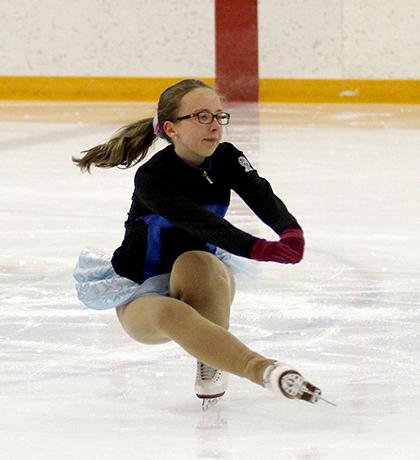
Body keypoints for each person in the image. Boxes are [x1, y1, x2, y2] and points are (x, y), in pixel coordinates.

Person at [72, 79, 322, 408]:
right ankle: (264, 370)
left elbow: (260, 193)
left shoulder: (227, 158)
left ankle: (211, 360)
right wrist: (258, 248)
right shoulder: (153, 177)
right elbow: (201, 222)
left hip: (196, 278)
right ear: (171, 129)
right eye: (202, 116)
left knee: (200, 260)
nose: (215, 126)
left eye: (219, 116)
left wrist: (290, 231)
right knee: (171, 311)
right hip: (140, 289)